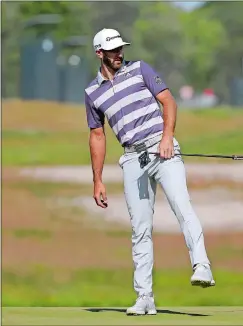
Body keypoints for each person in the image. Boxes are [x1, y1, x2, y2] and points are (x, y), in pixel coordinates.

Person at [84, 28, 215, 316]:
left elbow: (169, 101)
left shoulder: (140, 69)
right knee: (139, 229)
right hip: (132, 158)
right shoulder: (92, 92)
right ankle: (145, 298)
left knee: (182, 206)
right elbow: (97, 135)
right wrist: (98, 180)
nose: (119, 54)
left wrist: (167, 137)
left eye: (121, 48)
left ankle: (202, 266)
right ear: (99, 53)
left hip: (161, 147)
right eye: (113, 50)